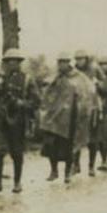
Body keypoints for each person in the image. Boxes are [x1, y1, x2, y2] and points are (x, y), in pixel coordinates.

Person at [0, 48, 40, 193]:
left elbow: (36, 101)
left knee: (17, 152)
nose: (12, 64)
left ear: (20, 63)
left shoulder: (27, 79)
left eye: (15, 61)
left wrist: (21, 103)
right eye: (9, 61)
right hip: (1, 119)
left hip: (18, 120)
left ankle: (17, 182)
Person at [40, 53, 92, 183]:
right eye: (59, 62)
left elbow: (86, 93)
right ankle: (54, 171)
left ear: (69, 63)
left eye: (64, 62)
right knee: (51, 145)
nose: (61, 64)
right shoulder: (55, 76)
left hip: (70, 117)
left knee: (68, 145)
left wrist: (80, 109)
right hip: (54, 117)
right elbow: (46, 92)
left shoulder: (79, 77)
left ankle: (67, 172)